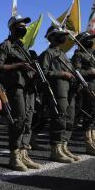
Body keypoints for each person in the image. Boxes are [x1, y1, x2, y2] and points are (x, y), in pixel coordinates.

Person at [0, 15, 42, 170]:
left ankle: (23, 153)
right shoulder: (5, 46)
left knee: (28, 120)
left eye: (24, 25)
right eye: (19, 25)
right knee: (19, 120)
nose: (23, 28)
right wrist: (19, 65)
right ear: (12, 28)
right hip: (15, 87)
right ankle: (14, 156)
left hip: (29, 88)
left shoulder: (24, 47)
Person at [39, 26, 80, 163]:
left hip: (69, 90)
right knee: (59, 119)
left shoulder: (62, 53)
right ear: (51, 37)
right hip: (58, 91)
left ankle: (64, 146)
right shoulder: (48, 53)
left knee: (69, 119)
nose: (63, 37)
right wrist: (61, 74)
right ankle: (56, 149)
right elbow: (43, 73)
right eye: (60, 35)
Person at [71, 31, 95, 156]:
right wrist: (91, 71)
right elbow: (76, 71)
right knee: (90, 114)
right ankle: (89, 143)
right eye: (88, 39)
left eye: (92, 39)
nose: (91, 41)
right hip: (88, 88)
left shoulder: (93, 55)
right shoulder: (78, 55)